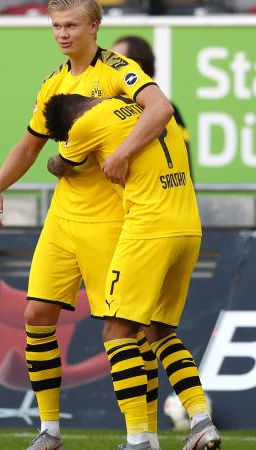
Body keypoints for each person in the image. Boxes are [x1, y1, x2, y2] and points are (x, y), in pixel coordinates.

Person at [0, 0, 174, 448]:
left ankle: (142, 435)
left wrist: (124, 153)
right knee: (36, 314)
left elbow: (160, 109)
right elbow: (29, 147)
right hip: (64, 218)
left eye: (70, 25)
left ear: (94, 25)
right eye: (55, 26)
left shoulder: (117, 71)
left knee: (126, 328)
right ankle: (49, 430)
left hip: (112, 217)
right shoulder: (54, 83)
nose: (62, 34)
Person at [43, 93, 221, 450]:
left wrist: (62, 152)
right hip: (189, 226)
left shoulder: (85, 126)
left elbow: (59, 165)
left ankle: (139, 439)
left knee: (116, 330)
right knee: (160, 332)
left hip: (148, 230)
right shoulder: (151, 109)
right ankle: (201, 421)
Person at [111, 35, 194, 180]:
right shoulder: (105, 106)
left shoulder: (166, 109)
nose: (108, 67)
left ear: (136, 66)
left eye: (117, 61)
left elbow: (183, 163)